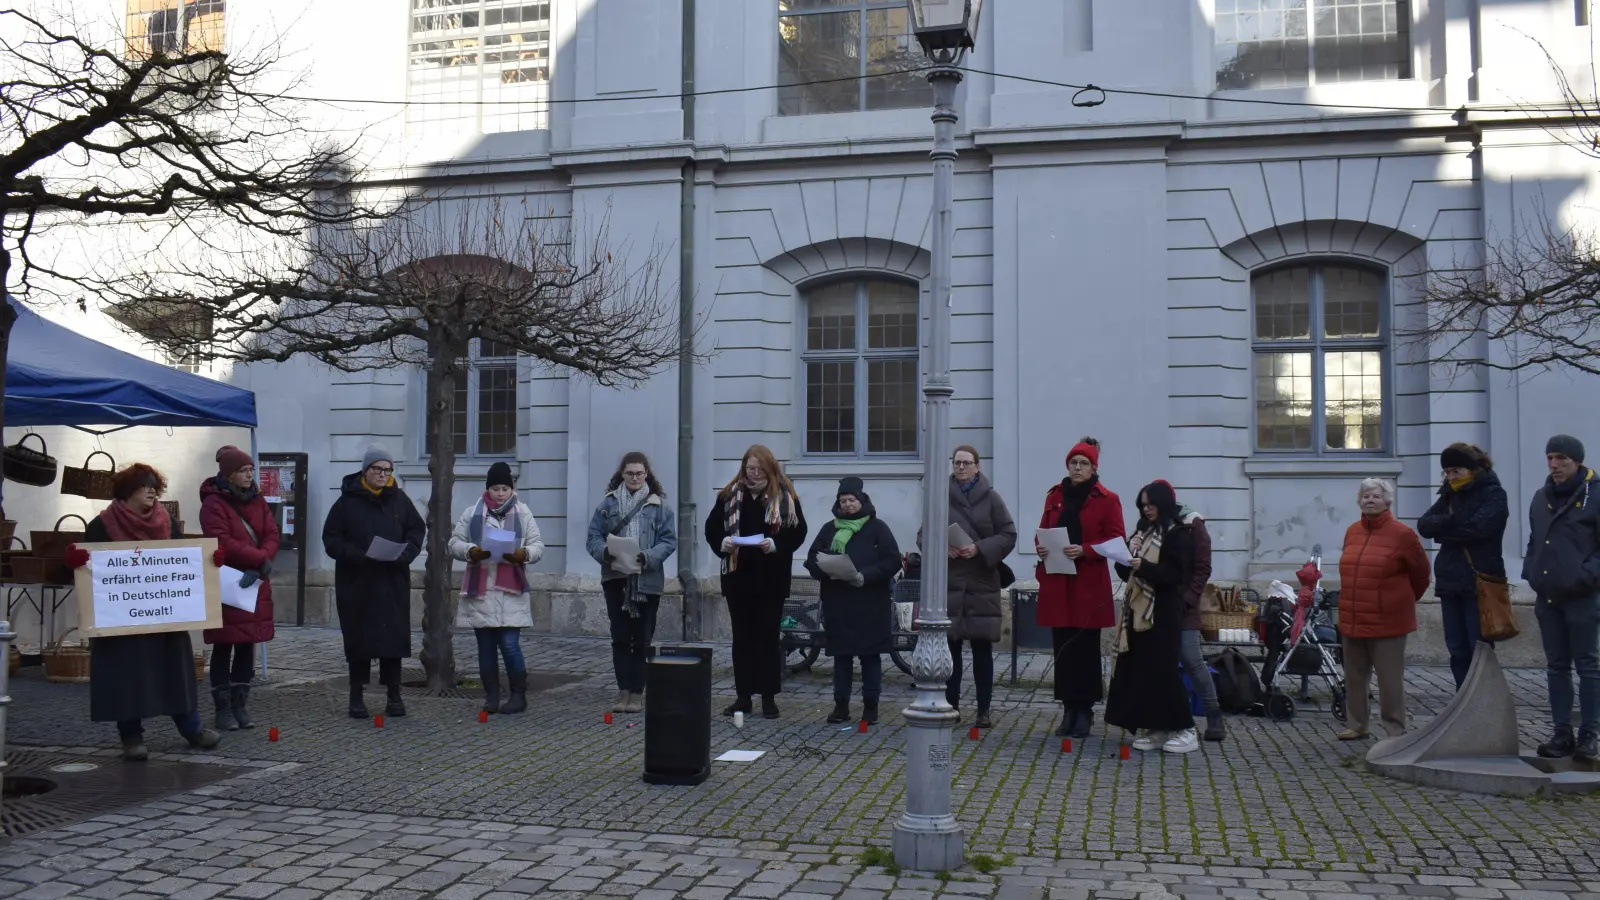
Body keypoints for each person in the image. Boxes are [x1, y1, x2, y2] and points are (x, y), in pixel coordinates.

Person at [64, 464, 224, 761]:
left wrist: (208, 562)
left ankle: (192, 729)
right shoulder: (101, 525)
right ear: (128, 491)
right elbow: (88, 569)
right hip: (122, 619)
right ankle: (131, 737)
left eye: (154, 486)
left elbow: (181, 562)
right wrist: (75, 560)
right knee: (126, 676)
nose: (152, 491)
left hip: (163, 615)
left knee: (175, 672)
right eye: (145, 486)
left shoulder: (167, 522)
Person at [322, 444, 426, 720]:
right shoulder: (346, 502)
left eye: (387, 469)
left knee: (393, 641)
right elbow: (331, 540)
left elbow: (417, 529)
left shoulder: (400, 500)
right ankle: (357, 697)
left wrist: (406, 553)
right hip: (358, 582)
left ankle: (394, 695)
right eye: (377, 469)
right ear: (365, 471)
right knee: (360, 642)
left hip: (392, 582)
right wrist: (359, 556)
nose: (382, 474)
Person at [705, 445, 807, 719]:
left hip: (770, 580)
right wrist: (722, 543)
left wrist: (775, 544)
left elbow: (799, 533)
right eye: (751, 469)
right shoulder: (729, 496)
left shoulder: (784, 496)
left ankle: (769, 698)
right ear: (744, 468)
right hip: (738, 580)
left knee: (767, 638)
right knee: (742, 639)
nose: (755, 474)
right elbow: (712, 528)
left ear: (770, 468)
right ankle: (743, 697)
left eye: (760, 469)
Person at [1033, 437, 1124, 739]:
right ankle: (1068, 709)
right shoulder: (1055, 495)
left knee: (1085, 649)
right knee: (1063, 649)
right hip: (1058, 581)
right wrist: (1042, 547)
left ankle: (1084, 711)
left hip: (1087, 584)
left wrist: (1084, 550)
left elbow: (1115, 540)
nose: (1077, 467)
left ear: (1094, 468)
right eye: (1073, 462)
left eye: (1083, 463)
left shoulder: (1107, 499)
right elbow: (1044, 530)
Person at [1106, 481, 1199, 753]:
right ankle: (1157, 727)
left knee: (1164, 671)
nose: (1146, 510)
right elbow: (1126, 574)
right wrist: (1127, 554)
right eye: (1143, 505)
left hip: (1163, 613)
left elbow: (1174, 575)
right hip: (1137, 613)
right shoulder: (1143, 532)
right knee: (1143, 672)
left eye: (1151, 505)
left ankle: (1186, 728)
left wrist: (1142, 565)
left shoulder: (1178, 534)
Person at [1336, 478, 1430, 740]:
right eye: (1366, 496)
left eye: (1376, 496)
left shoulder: (1403, 535)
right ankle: (1357, 724)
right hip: (1353, 616)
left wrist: (1401, 601)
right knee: (1354, 676)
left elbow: (1421, 575)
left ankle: (1394, 729)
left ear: (1388, 501)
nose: (1370, 500)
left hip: (1388, 620)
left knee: (1389, 680)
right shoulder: (1352, 531)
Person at [1525, 435, 1600, 761]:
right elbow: (1534, 541)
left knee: (1588, 666)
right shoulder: (1542, 497)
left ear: (1577, 462)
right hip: (1549, 596)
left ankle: (1590, 735)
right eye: (1550, 458)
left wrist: (1586, 576)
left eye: (1561, 459)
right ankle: (1561, 734)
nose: (1554, 465)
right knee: (1556, 667)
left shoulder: (1595, 495)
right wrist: (1532, 571)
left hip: (1583, 596)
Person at [803, 477, 901, 725]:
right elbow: (812, 557)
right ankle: (841, 705)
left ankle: (871, 707)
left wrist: (864, 576)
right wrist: (826, 569)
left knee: (870, 657)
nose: (847, 505)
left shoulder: (878, 527)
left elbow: (892, 561)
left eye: (851, 500)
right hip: (839, 602)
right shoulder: (829, 528)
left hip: (870, 602)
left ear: (862, 500)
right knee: (842, 657)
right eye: (842, 500)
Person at [586, 451, 678, 714]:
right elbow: (592, 536)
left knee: (642, 638)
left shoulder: (660, 506)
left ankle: (637, 692)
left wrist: (647, 556)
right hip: (615, 578)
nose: (635, 477)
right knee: (620, 637)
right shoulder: (608, 504)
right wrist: (604, 551)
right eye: (630, 473)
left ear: (646, 474)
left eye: (639, 473)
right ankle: (622, 690)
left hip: (646, 580)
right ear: (622, 475)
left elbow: (669, 541)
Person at [449, 461, 543, 716]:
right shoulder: (472, 513)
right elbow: (454, 543)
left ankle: (517, 695)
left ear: (512, 488)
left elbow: (538, 545)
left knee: (510, 644)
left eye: (505, 488)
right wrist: (472, 551)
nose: (500, 493)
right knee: (486, 646)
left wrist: (523, 554)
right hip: (482, 589)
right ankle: (490, 696)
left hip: (511, 590)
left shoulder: (523, 513)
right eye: (495, 488)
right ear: (487, 489)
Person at [199, 445, 281, 731]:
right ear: (229, 475)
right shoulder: (213, 504)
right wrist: (259, 558)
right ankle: (222, 709)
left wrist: (263, 560)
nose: (249, 475)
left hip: (254, 579)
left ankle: (240, 705)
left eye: (250, 470)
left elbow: (271, 532)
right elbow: (220, 541)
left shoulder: (257, 500)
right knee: (224, 645)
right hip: (227, 582)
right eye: (243, 471)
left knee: (248, 643)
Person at [936, 445, 1017, 730]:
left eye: (966, 463)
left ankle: (984, 710)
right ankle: (952, 706)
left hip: (982, 581)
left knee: (982, 650)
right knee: (952, 648)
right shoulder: (939, 496)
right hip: (952, 582)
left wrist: (979, 547)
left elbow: (1008, 534)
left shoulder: (992, 498)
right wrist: (943, 547)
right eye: (957, 462)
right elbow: (924, 535)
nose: (960, 467)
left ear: (977, 466)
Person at [1417, 442, 1509, 689]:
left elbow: (1479, 528)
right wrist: (1453, 523)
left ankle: (1483, 698)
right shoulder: (1449, 494)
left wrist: (1445, 530)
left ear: (1472, 469)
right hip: (1449, 581)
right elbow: (1424, 525)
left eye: (1456, 471)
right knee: (1456, 648)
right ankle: (1461, 699)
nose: (1451, 477)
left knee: (1478, 647)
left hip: (1480, 581)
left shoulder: (1493, 493)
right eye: (1447, 472)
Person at [1163, 481, 1225, 742]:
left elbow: (1203, 568)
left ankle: (1214, 715)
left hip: (1184, 606)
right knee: (1163, 663)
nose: (1147, 509)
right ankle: (1170, 718)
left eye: (1151, 504)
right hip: (1159, 606)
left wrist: (1188, 599)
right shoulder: (1152, 525)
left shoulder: (1193, 524)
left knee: (1191, 659)